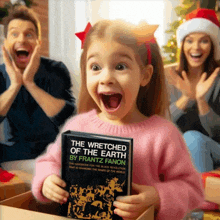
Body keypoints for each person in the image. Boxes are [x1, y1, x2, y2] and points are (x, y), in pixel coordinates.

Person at [32, 20, 204, 220]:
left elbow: (193, 190)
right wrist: (47, 180)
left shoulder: (163, 135)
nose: (106, 78)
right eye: (95, 67)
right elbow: (48, 161)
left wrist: (158, 196)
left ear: (145, 75)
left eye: (120, 66)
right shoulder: (77, 126)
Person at [0, 6, 76, 163]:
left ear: (38, 43)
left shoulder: (56, 69)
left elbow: (68, 119)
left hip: (53, 152)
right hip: (13, 152)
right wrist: (15, 85)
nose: (21, 40)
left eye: (29, 34)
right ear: (6, 43)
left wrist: (29, 83)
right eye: (14, 34)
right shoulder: (0, 73)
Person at [166, 8, 220, 173]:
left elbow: (217, 134)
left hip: (213, 147)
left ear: (212, 46)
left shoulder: (218, 79)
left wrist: (201, 101)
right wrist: (186, 98)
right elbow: (159, 124)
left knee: (192, 138)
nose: (196, 47)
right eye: (189, 41)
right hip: (178, 150)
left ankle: (201, 198)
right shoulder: (169, 75)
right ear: (182, 45)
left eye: (204, 41)